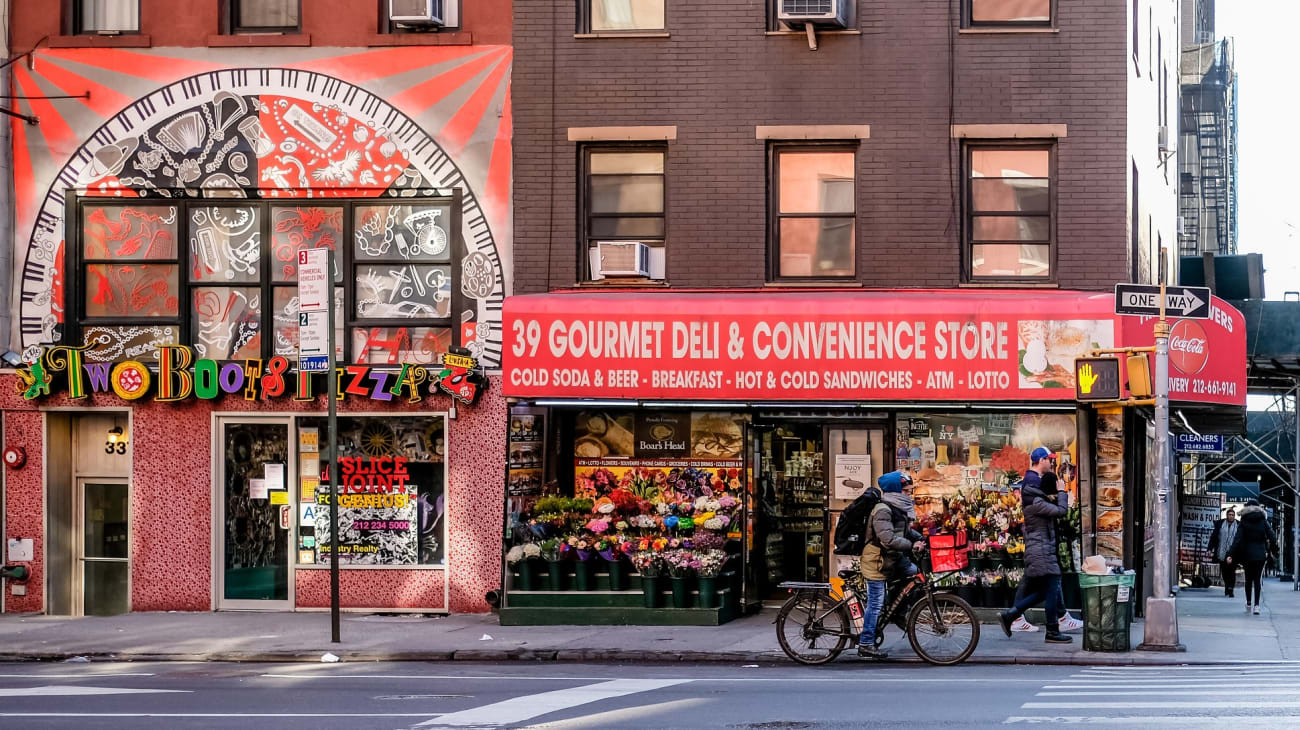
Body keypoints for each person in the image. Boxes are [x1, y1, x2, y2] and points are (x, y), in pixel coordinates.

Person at [999, 447, 1071, 644]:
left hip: (1041, 547)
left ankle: (1011, 615)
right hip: (1040, 549)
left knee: (1046, 590)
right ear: (1041, 460)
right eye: (1050, 459)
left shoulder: (1034, 489)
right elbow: (1061, 511)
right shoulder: (1033, 492)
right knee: (1051, 586)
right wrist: (1061, 492)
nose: (1052, 463)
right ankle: (1052, 630)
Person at [858, 471, 924, 659]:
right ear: (895, 491)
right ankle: (866, 643)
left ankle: (898, 612)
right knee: (876, 602)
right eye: (906, 491)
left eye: (910, 490)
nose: (909, 495)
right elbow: (887, 539)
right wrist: (912, 545)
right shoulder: (883, 510)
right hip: (877, 560)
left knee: (915, 575)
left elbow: (905, 531)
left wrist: (921, 538)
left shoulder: (898, 508)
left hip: (893, 558)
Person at [1227, 500, 1277, 615]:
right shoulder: (1263, 520)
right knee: (1257, 579)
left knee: (1248, 579)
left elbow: (1237, 539)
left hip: (1247, 554)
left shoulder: (1244, 521)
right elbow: (1272, 536)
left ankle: (1249, 603)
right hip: (1260, 554)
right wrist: (1274, 548)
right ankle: (1257, 606)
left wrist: (1230, 554)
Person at [1206, 507, 1239, 598]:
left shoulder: (1238, 525)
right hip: (1222, 551)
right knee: (1224, 571)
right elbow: (1214, 537)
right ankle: (1227, 585)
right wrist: (1209, 549)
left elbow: (1241, 539)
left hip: (1233, 552)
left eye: (1233, 515)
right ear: (1227, 515)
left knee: (1232, 571)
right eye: (1230, 515)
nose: (1231, 516)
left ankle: (1231, 589)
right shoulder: (1220, 524)